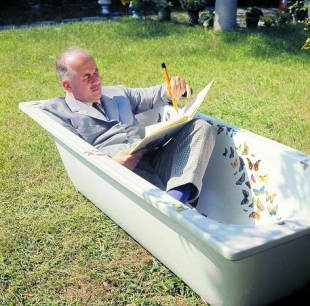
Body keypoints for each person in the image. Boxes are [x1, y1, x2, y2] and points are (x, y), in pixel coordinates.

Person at [42, 47, 215, 206]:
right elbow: (76, 155)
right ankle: (178, 209)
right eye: (87, 76)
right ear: (68, 85)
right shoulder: (59, 112)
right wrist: (111, 164)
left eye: (96, 72)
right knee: (170, 210)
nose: (97, 80)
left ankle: (176, 200)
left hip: (151, 156)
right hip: (121, 175)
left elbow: (153, 94)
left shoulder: (117, 93)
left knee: (201, 127)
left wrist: (174, 89)